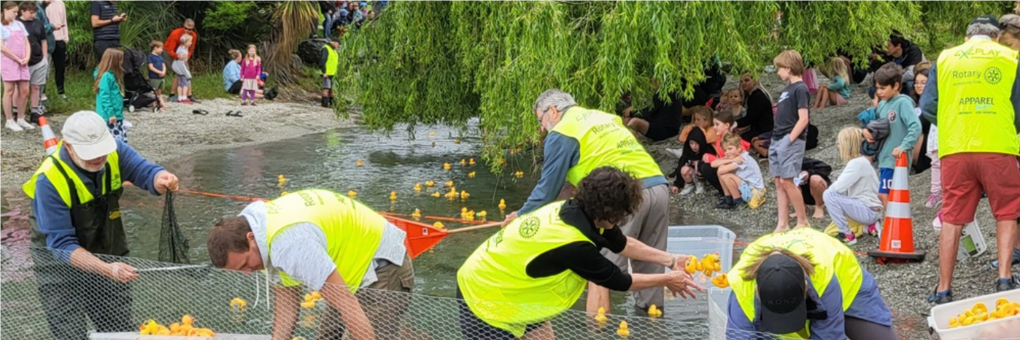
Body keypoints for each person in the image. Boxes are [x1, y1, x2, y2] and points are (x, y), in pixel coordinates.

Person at [459, 167, 702, 339]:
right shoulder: (574, 243)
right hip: (484, 297)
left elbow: (622, 244)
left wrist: (671, 260)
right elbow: (620, 280)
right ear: (608, 211)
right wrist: (668, 279)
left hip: (517, 295)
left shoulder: (579, 211)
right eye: (622, 214)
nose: (622, 219)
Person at [506, 89, 670, 317]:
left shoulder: (562, 132)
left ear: (552, 111)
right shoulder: (602, 117)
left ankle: (597, 333)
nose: (542, 128)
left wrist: (521, 217)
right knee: (651, 266)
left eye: (540, 120)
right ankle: (652, 327)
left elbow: (547, 190)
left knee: (600, 272)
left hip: (622, 196)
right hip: (659, 187)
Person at [25, 110, 179, 340]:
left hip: (108, 252)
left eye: (102, 152)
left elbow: (144, 171)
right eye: (90, 154)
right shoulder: (49, 180)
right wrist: (105, 269)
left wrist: (161, 178)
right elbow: (61, 244)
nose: (99, 158)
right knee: (70, 334)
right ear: (68, 146)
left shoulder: (115, 151)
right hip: (60, 269)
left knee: (119, 330)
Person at [207, 189, 414, 340]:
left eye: (244, 264)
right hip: (349, 276)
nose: (247, 273)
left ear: (251, 238)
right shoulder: (263, 235)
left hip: (382, 269)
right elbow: (287, 303)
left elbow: (347, 304)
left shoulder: (290, 245)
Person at [920, 16, 1020, 301]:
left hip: (956, 147)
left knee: (952, 217)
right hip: (998, 145)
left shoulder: (946, 58)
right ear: (996, 37)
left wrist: (952, 122)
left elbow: (927, 105)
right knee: (1006, 212)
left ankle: (943, 288)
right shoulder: (1011, 57)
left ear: (967, 38)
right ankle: (1004, 278)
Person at [725, 228, 896, 339]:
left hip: (850, 288)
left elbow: (828, 336)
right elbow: (739, 336)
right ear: (756, 290)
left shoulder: (823, 275)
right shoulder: (741, 286)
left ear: (806, 286)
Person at [867, 63, 920, 210]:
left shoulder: (903, 103)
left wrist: (904, 146)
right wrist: (867, 132)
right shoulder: (883, 105)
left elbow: (915, 126)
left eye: (883, 88)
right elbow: (877, 127)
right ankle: (893, 226)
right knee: (887, 195)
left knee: (886, 195)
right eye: (877, 88)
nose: (879, 92)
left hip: (896, 160)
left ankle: (893, 228)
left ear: (896, 86)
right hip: (884, 158)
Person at [770, 49, 811, 233]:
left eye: (779, 68)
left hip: (790, 140)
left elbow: (803, 118)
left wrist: (789, 139)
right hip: (777, 138)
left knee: (788, 181)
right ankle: (782, 223)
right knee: (779, 181)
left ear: (788, 68)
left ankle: (802, 220)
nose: (778, 72)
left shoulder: (800, 88)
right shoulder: (787, 89)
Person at [824, 127, 883, 246]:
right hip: (872, 209)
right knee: (838, 195)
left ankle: (847, 235)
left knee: (828, 195)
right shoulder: (862, 161)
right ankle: (870, 226)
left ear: (848, 145)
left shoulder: (856, 164)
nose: (838, 145)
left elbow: (835, 189)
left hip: (868, 211)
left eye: (840, 143)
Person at [701, 110, 750, 199]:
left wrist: (712, 159)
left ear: (727, 125)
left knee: (707, 168)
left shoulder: (733, 140)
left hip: (738, 172)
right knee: (705, 166)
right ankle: (726, 193)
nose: (714, 127)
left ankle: (731, 194)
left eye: (717, 124)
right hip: (730, 167)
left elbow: (740, 159)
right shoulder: (719, 140)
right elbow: (721, 158)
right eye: (714, 124)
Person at [672, 106, 717, 195]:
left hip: (710, 161)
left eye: (698, 120)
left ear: (706, 120)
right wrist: (677, 184)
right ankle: (690, 184)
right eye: (695, 119)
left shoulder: (711, 132)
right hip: (695, 157)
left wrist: (699, 131)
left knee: (698, 164)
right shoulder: (695, 136)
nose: (695, 122)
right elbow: (682, 139)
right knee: (685, 164)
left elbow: (707, 140)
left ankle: (702, 183)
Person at [0, 1, 31, 132]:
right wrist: (17, 58)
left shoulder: (19, 24)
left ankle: (21, 118)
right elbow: (1, 47)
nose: (16, 14)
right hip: (9, 61)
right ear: (6, 10)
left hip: (23, 61)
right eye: (13, 11)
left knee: (24, 90)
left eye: (16, 12)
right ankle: (9, 119)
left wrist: (27, 57)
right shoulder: (1, 26)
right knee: (9, 90)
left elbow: (26, 42)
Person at [715, 133, 767, 209]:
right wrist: (730, 160)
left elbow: (720, 170)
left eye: (730, 148)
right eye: (725, 150)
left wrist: (726, 161)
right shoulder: (734, 157)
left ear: (739, 148)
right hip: (746, 188)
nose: (727, 152)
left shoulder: (742, 158)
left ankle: (738, 201)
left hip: (753, 192)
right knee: (723, 173)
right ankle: (728, 199)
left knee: (726, 175)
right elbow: (713, 164)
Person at [18, 1, 44, 123]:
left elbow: (43, 40)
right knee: (20, 88)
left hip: (38, 59)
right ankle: (16, 111)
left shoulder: (38, 23)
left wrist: (44, 58)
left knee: (36, 86)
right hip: (22, 61)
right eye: (31, 12)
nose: (33, 15)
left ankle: (34, 111)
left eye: (34, 13)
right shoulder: (16, 24)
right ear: (23, 11)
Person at [738, 74, 775, 156]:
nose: (743, 83)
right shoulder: (751, 94)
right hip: (756, 126)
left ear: (754, 80)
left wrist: (734, 123)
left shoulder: (758, 96)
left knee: (738, 140)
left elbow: (750, 118)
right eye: (741, 81)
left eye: (747, 80)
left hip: (763, 129)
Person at [94, 49, 125, 143]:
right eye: (120, 60)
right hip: (109, 117)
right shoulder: (106, 76)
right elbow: (105, 96)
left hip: (116, 115)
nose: (122, 62)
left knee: (120, 141)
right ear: (114, 61)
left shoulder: (112, 75)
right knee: (114, 143)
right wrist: (111, 114)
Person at [163, 18, 197, 103]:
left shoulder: (193, 35)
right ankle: (173, 94)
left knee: (185, 72)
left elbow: (191, 49)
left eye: (190, 29)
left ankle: (188, 95)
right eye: (186, 28)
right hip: (170, 51)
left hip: (183, 52)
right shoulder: (176, 33)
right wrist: (177, 56)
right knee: (180, 73)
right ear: (183, 26)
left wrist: (186, 57)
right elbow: (170, 50)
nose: (187, 30)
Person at [44, 0, 63, 99]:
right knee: (44, 70)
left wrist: (65, 37)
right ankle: (42, 95)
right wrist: (52, 26)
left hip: (59, 38)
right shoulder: (40, 6)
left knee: (59, 67)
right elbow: (41, 26)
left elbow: (64, 21)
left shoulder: (60, 3)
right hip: (45, 41)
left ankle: (61, 92)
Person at [171, 34, 193, 104]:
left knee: (180, 84)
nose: (191, 43)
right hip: (182, 70)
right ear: (186, 42)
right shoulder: (182, 52)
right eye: (190, 41)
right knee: (185, 84)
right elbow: (182, 63)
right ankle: (184, 97)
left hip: (179, 70)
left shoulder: (180, 48)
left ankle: (180, 97)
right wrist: (187, 73)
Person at [146, 40, 167, 111]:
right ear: (155, 48)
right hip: (154, 77)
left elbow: (163, 65)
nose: (162, 50)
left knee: (159, 91)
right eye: (161, 48)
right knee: (154, 90)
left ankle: (160, 102)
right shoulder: (150, 57)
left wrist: (163, 72)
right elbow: (151, 67)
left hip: (161, 77)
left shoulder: (160, 57)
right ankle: (155, 103)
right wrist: (159, 72)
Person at [320, 38, 339, 107]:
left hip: (333, 73)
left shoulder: (334, 51)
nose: (338, 46)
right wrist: (324, 71)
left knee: (332, 89)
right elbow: (322, 60)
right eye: (338, 44)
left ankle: (332, 104)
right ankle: (324, 104)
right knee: (326, 88)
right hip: (327, 73)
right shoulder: (326, 49)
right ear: (334, 42)